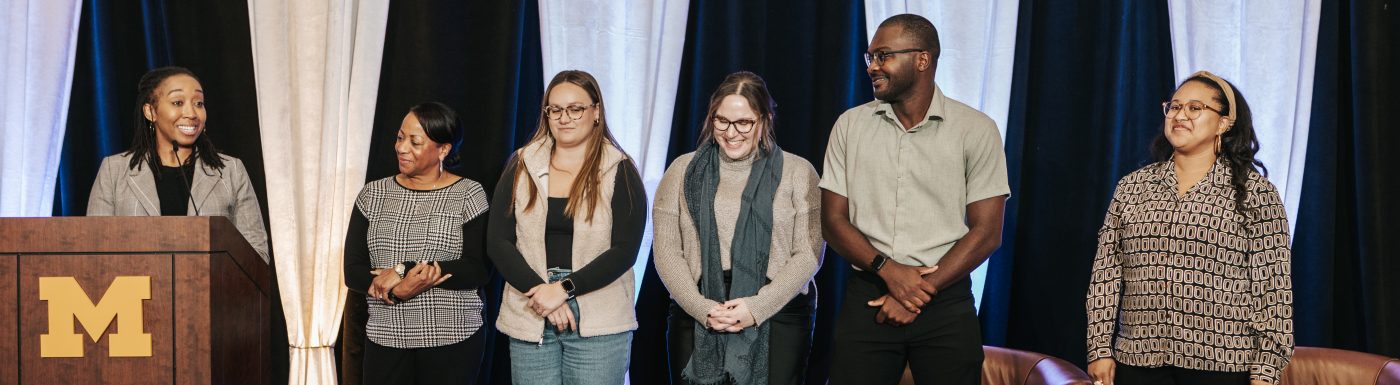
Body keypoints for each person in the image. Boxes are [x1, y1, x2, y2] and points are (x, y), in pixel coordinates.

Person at [820, 14, 1010, 385]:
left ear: (922, 60)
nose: (873, 66)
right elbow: (833, 221)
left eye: (884, 56)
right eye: (870, 57)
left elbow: (987, 232)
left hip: (946, 301)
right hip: (869, 297)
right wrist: (890, 272)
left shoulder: (976, 129)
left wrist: (917, 291)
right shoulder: (849, 125)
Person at [1085, 71, 1294, 385]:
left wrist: (1265, 372)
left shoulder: (1256, 194)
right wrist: (1099, 348)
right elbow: (1107, 271)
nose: (1180, 115)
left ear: (1224, 122)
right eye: (1174, 106)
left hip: (1222, 366)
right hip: (1138, 362)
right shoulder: (1132, 187)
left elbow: (1273, 293)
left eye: (1196, 108)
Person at [652, 71, 824, 385]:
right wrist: (701, 307)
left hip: (778, 309)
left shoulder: (799, 172)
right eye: (722, 121)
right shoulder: (681, 171)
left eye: (743, 122)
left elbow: (809, 253)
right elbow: (666, 252)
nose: (732, 133)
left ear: (765, 120)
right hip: (699, 308)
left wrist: (757, 307)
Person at [487, 70, 646, 385]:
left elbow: (625, 251)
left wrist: (562, 290)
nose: (564, 118)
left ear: (596, 111)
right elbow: (498, 242)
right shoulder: (521, 164)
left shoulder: (619, 169)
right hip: (531, 308)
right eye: (555, 109)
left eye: (576, 109)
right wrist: (541, 293)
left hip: (598, 317)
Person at [342, 102, 492, 384]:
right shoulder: (372, 194)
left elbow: (476, 269)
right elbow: (353, 271)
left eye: (415, 141)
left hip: (452, 336)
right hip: (385, 336)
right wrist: (399, 292)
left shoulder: (468, 194)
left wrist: (403, 269)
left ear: (443, 150)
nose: (401, 147)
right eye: (400, 138)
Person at [87, 66, 271, 262]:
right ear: (150, 112)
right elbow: (93, 249)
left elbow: (257, 254)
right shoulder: (114, 171)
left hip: (210, 291)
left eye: (199, 103)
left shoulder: (230, 171)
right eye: (178, 102)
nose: (191, 113)